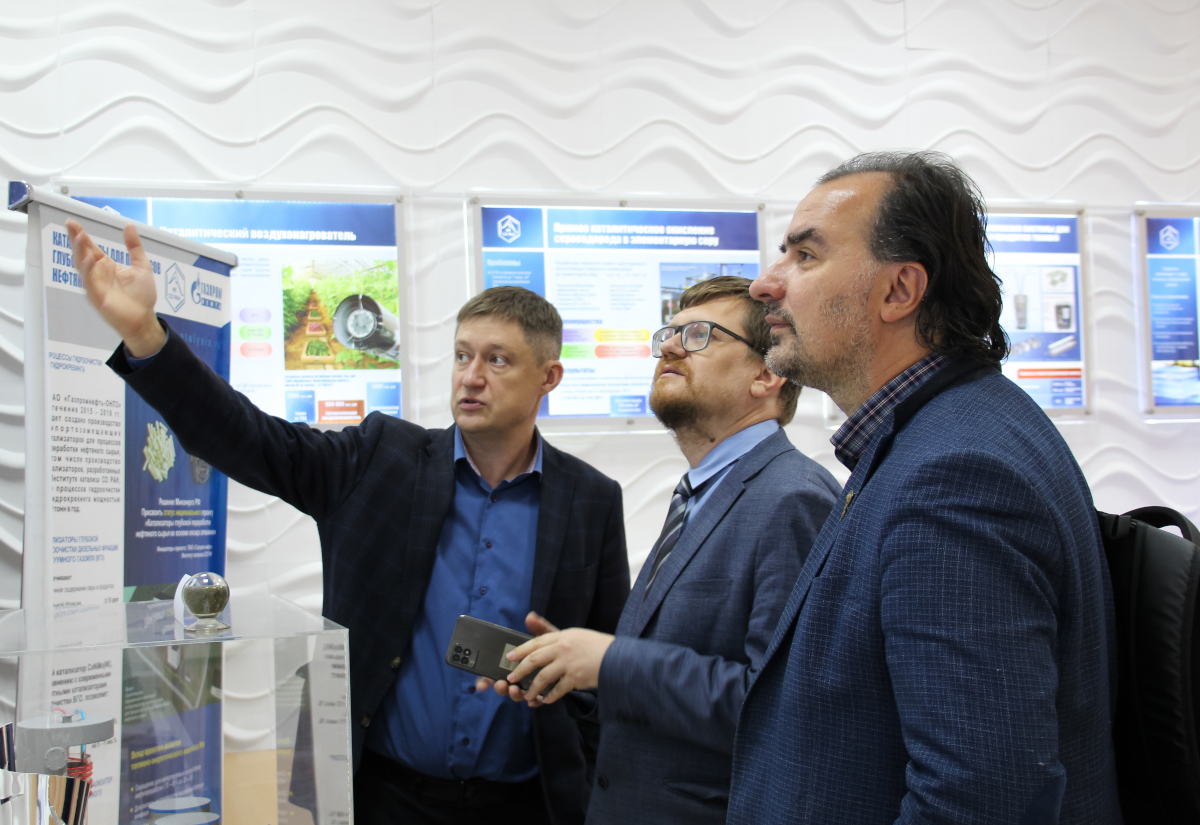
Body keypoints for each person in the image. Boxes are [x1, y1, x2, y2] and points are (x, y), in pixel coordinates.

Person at [65, 220, 630, 825]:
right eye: (463, 355)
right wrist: (146, 336)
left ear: (548, 377)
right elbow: (251, 439)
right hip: (383, 795)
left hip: (530, 804)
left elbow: (608, 670)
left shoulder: (590, 501)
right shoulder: (381, 460)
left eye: (497, 360)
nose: (471, 377)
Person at [725, 151, 1122, 825]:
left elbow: (982, 798)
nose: (766, 283)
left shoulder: (955, 475)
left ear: (899, 291)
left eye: (805, 255)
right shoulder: (941, 433)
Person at [484, 276, 840, 824]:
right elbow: (669, 673)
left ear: (767, 374)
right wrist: (572, 673)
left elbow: (781, 706)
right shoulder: (700, 492)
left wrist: (610, 661)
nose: (670, 347)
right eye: (668, 334)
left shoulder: (793, 498)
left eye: (699, 335)